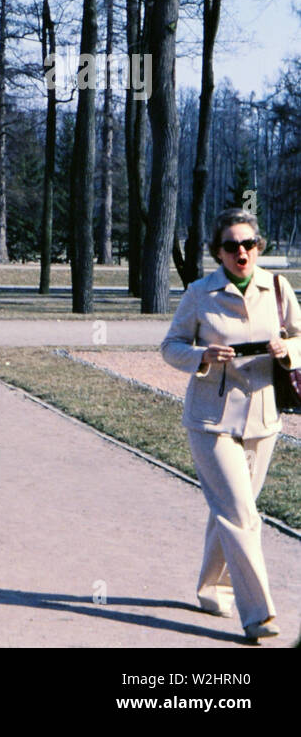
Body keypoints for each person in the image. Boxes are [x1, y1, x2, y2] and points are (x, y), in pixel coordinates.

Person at [160, 207, 300, 640]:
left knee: (232, 510)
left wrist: (286, 349)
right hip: (211, 420)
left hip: (263, 419)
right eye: (231, 245)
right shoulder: (200, 293)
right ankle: (258, 614)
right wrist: (202, 355)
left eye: (248, 244)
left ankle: (212, 588)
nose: (241, 252)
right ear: (217, 252)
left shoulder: (277, 287)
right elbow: (170, 346)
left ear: (258, 247)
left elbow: (300, 334)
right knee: (241, 514)